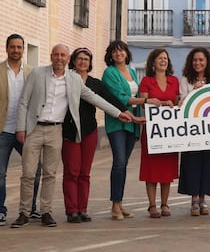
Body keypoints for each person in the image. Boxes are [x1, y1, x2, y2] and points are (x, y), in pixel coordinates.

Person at [11, 44, 131, 228]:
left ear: (67, 59)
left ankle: (46, 212)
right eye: (56, 55)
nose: (59, 58)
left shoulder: (74, 79)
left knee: (50, 174)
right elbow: (24, 102)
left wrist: (118, 113)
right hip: (34, 129)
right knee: (28, 174)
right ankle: (24, 212)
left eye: (63, 55)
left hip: (56, 131)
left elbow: (95, 98)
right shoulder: (37, 73)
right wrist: (21, 128)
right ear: (52, 56)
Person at [62, 48, 144, 223]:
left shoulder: (95, 83)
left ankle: (82, 209)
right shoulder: (66, 80)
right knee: (72, 172)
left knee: (84, 173)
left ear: (90, 63)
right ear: (73, 61)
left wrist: (129, 115)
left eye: (86, 59)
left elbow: (109, 100)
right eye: (79, 58)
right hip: (70, 131)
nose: (83, 62)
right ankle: (72, 210)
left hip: (90, 131)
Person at [102, 40, 156, 220]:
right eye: (115, 52)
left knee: (123, 164)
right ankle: (115, 206)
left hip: (133, 123)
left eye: (121, 51)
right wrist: (146, 101)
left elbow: (139, 94)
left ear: (126, 53)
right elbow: (120, 97)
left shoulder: (132, 72)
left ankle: (120, 203)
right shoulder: (109, 73)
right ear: (110, 55)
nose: (119, 54)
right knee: (119, 162)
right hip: (118, 122)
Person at [0, 34, 41, 226]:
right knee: (0, 173)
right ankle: (0, 211)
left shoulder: (33, 73)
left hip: (26, 130)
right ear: (6, 48)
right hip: (3, 131)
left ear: (23, 49)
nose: (16, 50)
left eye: (19, 47)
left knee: (34, 170)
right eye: (12, 47)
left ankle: (30, 208)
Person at [178, 47, 210, 216]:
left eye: (201, 60)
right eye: (195, 60)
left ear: (207, 62)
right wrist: (194, 92)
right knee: (192, 163)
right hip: (192, 130)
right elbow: (181, 102)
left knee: (208, 164)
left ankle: (203, 198)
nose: (198, 63)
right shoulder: (186, 79)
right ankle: (194, 199)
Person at [139, 48, 179, 218]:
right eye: (160, 58)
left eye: (165, 58)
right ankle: (152, 205)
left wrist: (173, 103)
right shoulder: (146, 81)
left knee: (166, 169)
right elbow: (143, 103)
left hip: (169, 131)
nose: (163, 60)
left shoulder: (174, 81)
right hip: (152, 131)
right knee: (151, 169)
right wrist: (158, 102)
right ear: (153, 62)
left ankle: (164, 204)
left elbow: (178, 103)